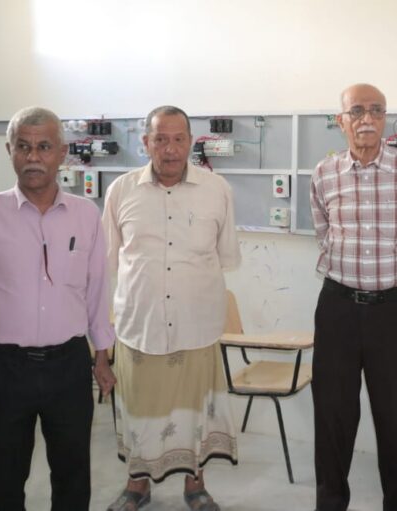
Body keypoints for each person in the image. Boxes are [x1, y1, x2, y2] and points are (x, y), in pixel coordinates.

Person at [0, 106, 116, 510]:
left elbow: (97, 289)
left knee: (73, 476)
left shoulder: (85, 215)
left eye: (44, 147)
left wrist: (102, 356)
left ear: (62, 153)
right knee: (2, 479)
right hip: (3, 369)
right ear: (10, 151)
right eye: (23, 147)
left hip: (69, 367)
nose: (33, 157)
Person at [103, 105, 241, 511]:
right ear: (145, 143)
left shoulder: (217, 190)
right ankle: (137, 485)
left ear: (191, 142)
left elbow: (225, 256)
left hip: (196, 326)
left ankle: (196, 486)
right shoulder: (121, 191)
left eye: (179, 139)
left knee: (195, 412)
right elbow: (107, 260)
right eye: (160, 139)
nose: (170, 148)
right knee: (139, 410)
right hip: (139, 325)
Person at [309, 83, 397, 511]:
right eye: (357, 111)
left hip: (393, 311)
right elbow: (324, 232)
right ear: (340, 120)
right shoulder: (324, 173)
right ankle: (330, 503)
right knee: (332, 415)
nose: (367, 119)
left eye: (376, 110)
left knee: (395, 417)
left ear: (385, 118)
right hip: (338, 308)